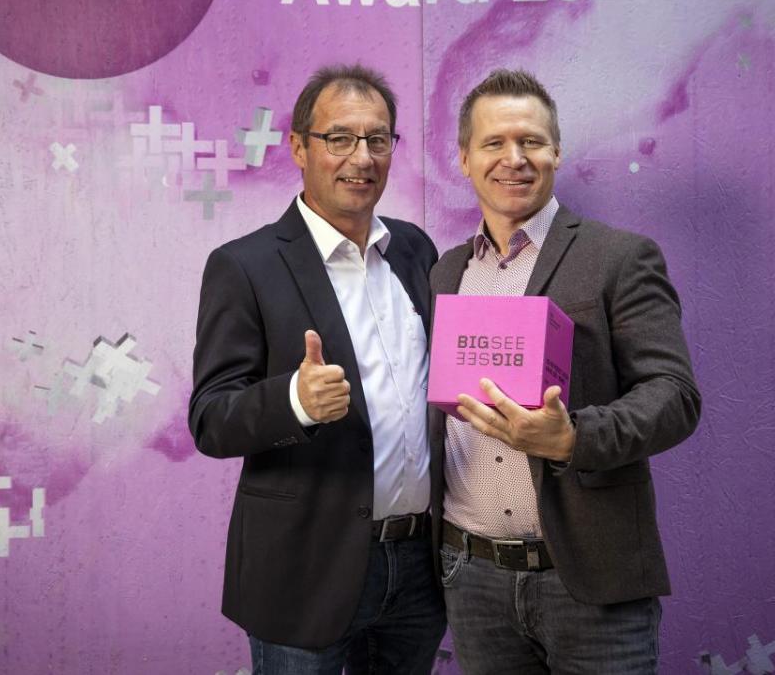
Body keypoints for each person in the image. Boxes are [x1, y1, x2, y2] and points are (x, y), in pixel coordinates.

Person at [428, 69, 702, 674]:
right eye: (494, 143)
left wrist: (576, 437)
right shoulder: (445, 273)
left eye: (531, 141)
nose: (514, 159)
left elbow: (675, 395)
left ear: (556, 151)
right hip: (470, 578)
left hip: (589, 575)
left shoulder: (619, 257)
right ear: (465, 159)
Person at [189, 64, 445, 674]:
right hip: (305, 570)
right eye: (339, 138)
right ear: (300, 147)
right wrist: (295, 401)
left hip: (418, 566)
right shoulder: (244, 266)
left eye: (377, 139)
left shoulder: (415, 250)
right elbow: (210, 419)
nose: (361, 157)